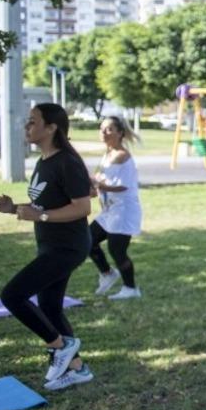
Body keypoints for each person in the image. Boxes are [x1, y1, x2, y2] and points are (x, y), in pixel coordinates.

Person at [0, 104, 95, 391]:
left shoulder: (66, 162)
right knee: (49, 306)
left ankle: (60, 347)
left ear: (51, 128)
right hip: (50, 244)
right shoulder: (44, 161)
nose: (27, 127)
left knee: (12, 295)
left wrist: (41, 216)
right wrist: (14, 208)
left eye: (32, 122)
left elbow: (82, 207)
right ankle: (76, 368)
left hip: (68, 246)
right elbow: (45, 204)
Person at [90, 115, 144, 299]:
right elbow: (101, 181)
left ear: (120, 133)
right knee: (87, 240)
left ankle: (131, 289)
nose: (104, 132)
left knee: (117, 250)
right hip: (109, 210)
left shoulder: (121, 155)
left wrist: (98, 185)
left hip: (123, 210)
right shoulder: (108, 154)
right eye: (102, 129)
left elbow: (122, 186)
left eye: (109, 129)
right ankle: (107, 274)